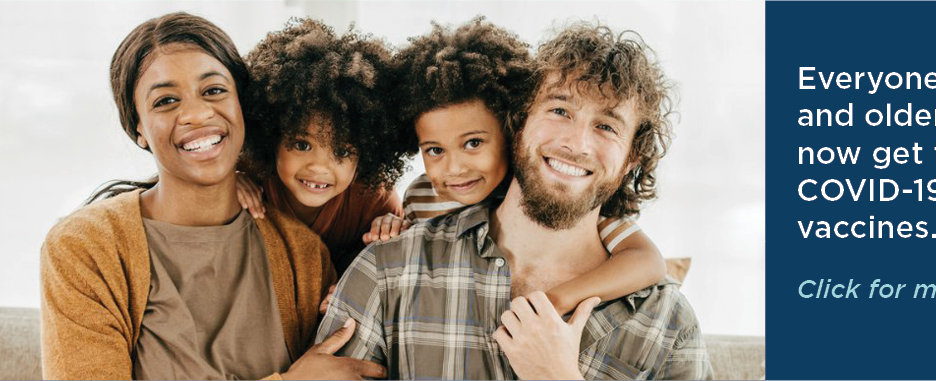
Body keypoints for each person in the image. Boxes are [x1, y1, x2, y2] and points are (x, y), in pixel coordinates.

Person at [316, 21, 712, 379]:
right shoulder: (386, 272)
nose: (576, 143)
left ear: (630, 162)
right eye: (560, 110)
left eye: (606, 126)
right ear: (519, 121)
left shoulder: (667, 324)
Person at [39, 12, 383, 380]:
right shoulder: (86, 249)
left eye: (214, 91)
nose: (197, 113)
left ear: (242, 106)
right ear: (137, 127)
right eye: (166, 100)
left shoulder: (303, 255)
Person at [371, 16, 667, 315]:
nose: (456, 168)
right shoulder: (420, 195)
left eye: (473, 143)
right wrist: (389, 226)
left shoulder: (541, 188)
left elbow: (648, 260)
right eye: (435, 150)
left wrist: (557, 300)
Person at [238, 18, 408, 274]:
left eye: (341, 151)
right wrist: (222, 184)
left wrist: (393, 228)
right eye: (301, 144)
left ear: (365, 155)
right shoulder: (250, 172)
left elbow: (397, 267)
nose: (319, 166)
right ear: (270, 138)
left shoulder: (374, 200)